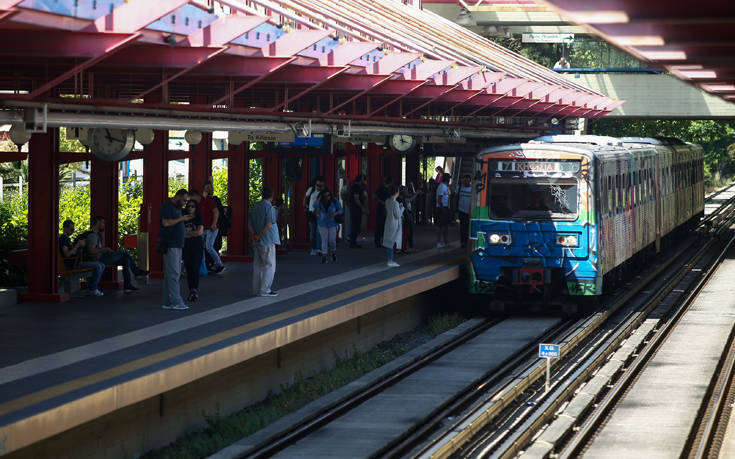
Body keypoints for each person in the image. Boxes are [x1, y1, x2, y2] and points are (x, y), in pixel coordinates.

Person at [85, 216, 149, 292]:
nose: (104, 225)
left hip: (103, 257)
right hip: (100, 259)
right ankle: (136, 271)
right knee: (125, 251)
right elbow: (92, 251)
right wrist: (105, 249)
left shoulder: (96, 235)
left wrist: (103, 237)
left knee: (126, 260)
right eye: (103, 222)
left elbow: (100, 247)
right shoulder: (92, 236)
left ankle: (127, 285)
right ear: (98, 222)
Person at [160, 189, 192, 310]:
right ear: (178, 196)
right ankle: (176, 301)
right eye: (184, 200)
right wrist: (181, 219)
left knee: (171, 273)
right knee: (174, 273)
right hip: (171, 243)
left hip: (177, 243)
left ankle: (167, 301)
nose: (185, 203)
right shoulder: (168, 206)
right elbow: (166, 223)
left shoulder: (176, 207)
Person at [59, 219, 105, 296]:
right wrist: (77, 245)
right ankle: (93, 289)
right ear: (65, 228)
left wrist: (81, 247)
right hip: (73, 264)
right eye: (71, 229)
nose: (72, 231)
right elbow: (67, 255)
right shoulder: (63, 240)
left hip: (76, 261)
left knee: (102, 265)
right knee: (98, 266)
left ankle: (92, 287)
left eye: (73, 229)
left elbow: (74, 252)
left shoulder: (68, 239)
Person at [249, 187, 280, 297]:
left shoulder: (255, 206)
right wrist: (260, 236)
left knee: (258, 265)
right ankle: (265, 289)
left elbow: (250, 223)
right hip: (267, 240)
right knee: (269, 265)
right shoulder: (270, 208)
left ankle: (257, 289)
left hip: (256, 242)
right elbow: (268, 225)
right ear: (271, 197)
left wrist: (254, 235)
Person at [200, 181, 225, 273]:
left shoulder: (212, 200)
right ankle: (204, 265)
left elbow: (217, 212)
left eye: (211, 187)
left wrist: (214, 223)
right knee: (204, 247)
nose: (210, 189)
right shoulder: (203, 200)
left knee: (208, 246)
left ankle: (219, 264)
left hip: (211, 227)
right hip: (206, 227)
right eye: (208, 187)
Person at [182, 199, 204, 302]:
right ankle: (191, 289)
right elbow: (180, 233)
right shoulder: (183, 218)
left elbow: (199, 232)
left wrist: (187, 235)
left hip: (197, 246)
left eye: (193, 206)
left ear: (196, 208)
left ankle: (194, 290)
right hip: (186, 247)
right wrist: (191, 234)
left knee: (195, 267)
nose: (190, 208)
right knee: (189, 268)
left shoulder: (199, 217)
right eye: (189, 206)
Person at [314, 189, 343, 263]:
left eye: (329, 195)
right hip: (322, 223)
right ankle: (324, 256)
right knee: (324, 239)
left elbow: (340, 210)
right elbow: (315, 206)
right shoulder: (320, 202)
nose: (328, 197)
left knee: (332, 240)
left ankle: (333, 252)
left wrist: (335, 213)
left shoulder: (334, 201)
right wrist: (319, 199)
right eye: (325, 196)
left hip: (332, 223)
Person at [383, 185, 403, 267]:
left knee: (388, 242)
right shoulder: (395, 203)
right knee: (392, 242)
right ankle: (390, 261)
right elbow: (397, 215)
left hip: (388, 222)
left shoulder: (387, 201)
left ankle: (389, 259)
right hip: (394, 224)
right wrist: (401, 209)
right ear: (396, 192)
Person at [304, 176, 325, 255]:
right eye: (318, 185)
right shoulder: (311, 189)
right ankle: (314, 248)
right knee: (312, 232)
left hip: (321, 214)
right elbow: (305, 199)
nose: (320, 187)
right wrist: (305, 207)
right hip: (311, 213)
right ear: (315, 184)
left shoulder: (324, 192)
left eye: (321, 186)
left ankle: (319, 248)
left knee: (319, 232)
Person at [349, 174, 368, 248]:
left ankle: (353, 240)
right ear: (361, 179)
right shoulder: (356, 187)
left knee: (356, 224)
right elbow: (356, 198)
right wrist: (362, 207)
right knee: (356, 225)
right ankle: (352, 241)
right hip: (355, 208)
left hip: (356, 208)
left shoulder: (358, 187)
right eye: (364, 179)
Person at [374, 176, 393, 248]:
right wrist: (381, 202)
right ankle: (378, 241)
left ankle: (382, 240)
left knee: (384, 224)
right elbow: (375, 196)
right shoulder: (381, 188)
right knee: (379, 224)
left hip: (386, 207)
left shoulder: (388, 188)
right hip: (381, 207)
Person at [435, 172, 451, 248]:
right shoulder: (442, 187)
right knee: (440, 226)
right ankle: (438, 242)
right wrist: (442, 209)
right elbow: (439, 199)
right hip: (442, 208)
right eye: (449, 178)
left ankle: (445, 241)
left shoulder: (445, 186)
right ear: (446, 179)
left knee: (445, 225)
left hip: (445, 207)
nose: (449, 180)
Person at [456, 174, 472, 249]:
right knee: (462, 228)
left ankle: (468, 242)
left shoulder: (472, 189)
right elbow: (454, 197)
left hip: (469, 212)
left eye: (467, 181)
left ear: (470, 181)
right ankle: (463, 242)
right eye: (465, 180)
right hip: (461, 210)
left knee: (468, 228)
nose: (466, 182)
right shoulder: (459, 188)